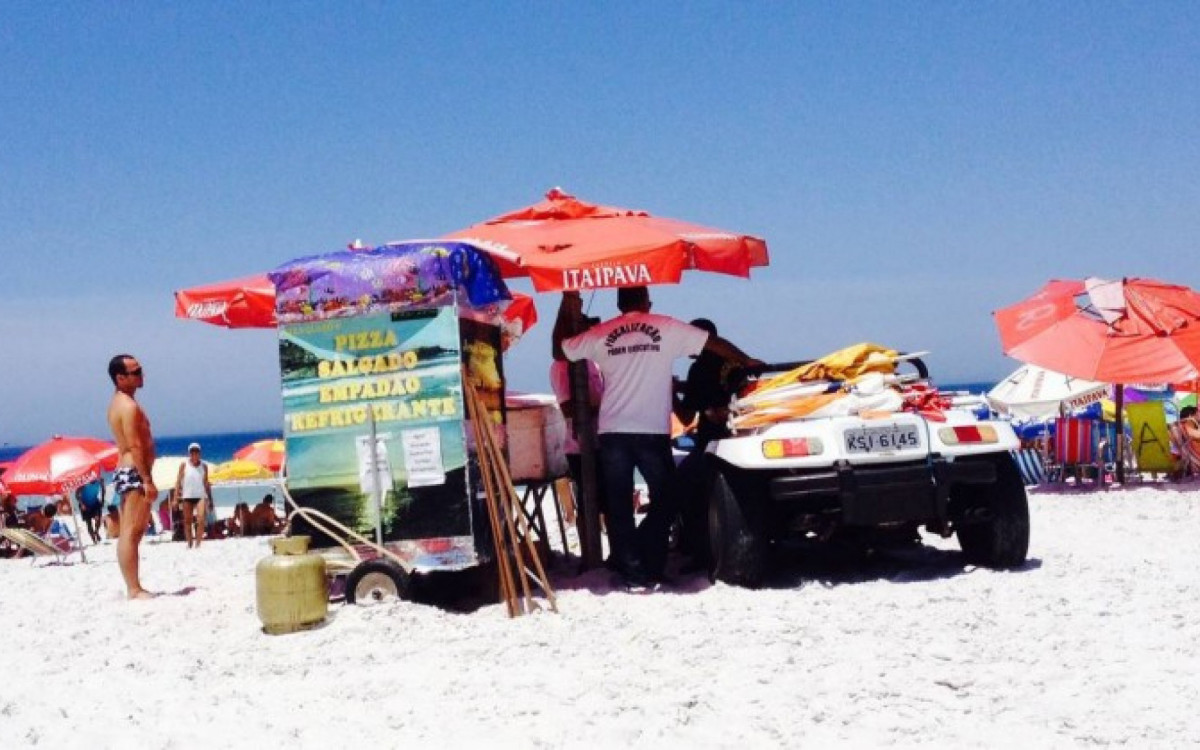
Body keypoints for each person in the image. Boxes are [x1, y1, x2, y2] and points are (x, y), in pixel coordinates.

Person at [556, 286, 760, 584]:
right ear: (645, 302)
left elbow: (559, 349)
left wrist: (567, 302)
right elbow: (712, 342)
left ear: (618, 303)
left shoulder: (602, 332)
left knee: (619, 503)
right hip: (651, 430)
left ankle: (630, 565)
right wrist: (746, 360)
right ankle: (650, 563)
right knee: (667, 499)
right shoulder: (664, 326)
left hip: (613, 430)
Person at [106, 353, 157, 600]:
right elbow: (135, 446)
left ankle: (133, 587)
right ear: (120, 377)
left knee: (132, 530)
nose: (141, 375)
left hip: (129, 470)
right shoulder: (128, 407)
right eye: (135, 372)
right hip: (134, 471)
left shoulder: (120, 402)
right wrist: (147, 479)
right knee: (132, 531)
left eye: (140, 370)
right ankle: (134, 588)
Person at [549, 315, 605, 512]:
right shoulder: (562, 366)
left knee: (605, 503)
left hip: (600, 441)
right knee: (588, 504)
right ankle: (587, 542)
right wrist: (605, 407)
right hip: (579, 446)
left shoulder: (592, 362)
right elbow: (568, 409)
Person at [174, 443, 213, 549]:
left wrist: (210, 499)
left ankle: (198, 543)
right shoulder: (184, 465)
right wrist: (175, 499)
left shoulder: (204, 466)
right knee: (187, 521)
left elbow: (206, 483)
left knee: (201, 519)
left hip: (201, 496)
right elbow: (178, 482)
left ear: (199, 453)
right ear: (189, 453)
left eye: (196, 452)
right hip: (187, 496)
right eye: (192, 452)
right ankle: (190, 542)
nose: (194, 454)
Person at [76, 479, 106, 544]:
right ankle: (93, 539)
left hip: (95, 503)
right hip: (85, 505)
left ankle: (96, 532)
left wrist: (102, 500)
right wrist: (82, 504)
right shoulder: (83, 483)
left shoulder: (98, 482)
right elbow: (77, 494)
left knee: (98, 519)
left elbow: (103, 490)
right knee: (89, 523)